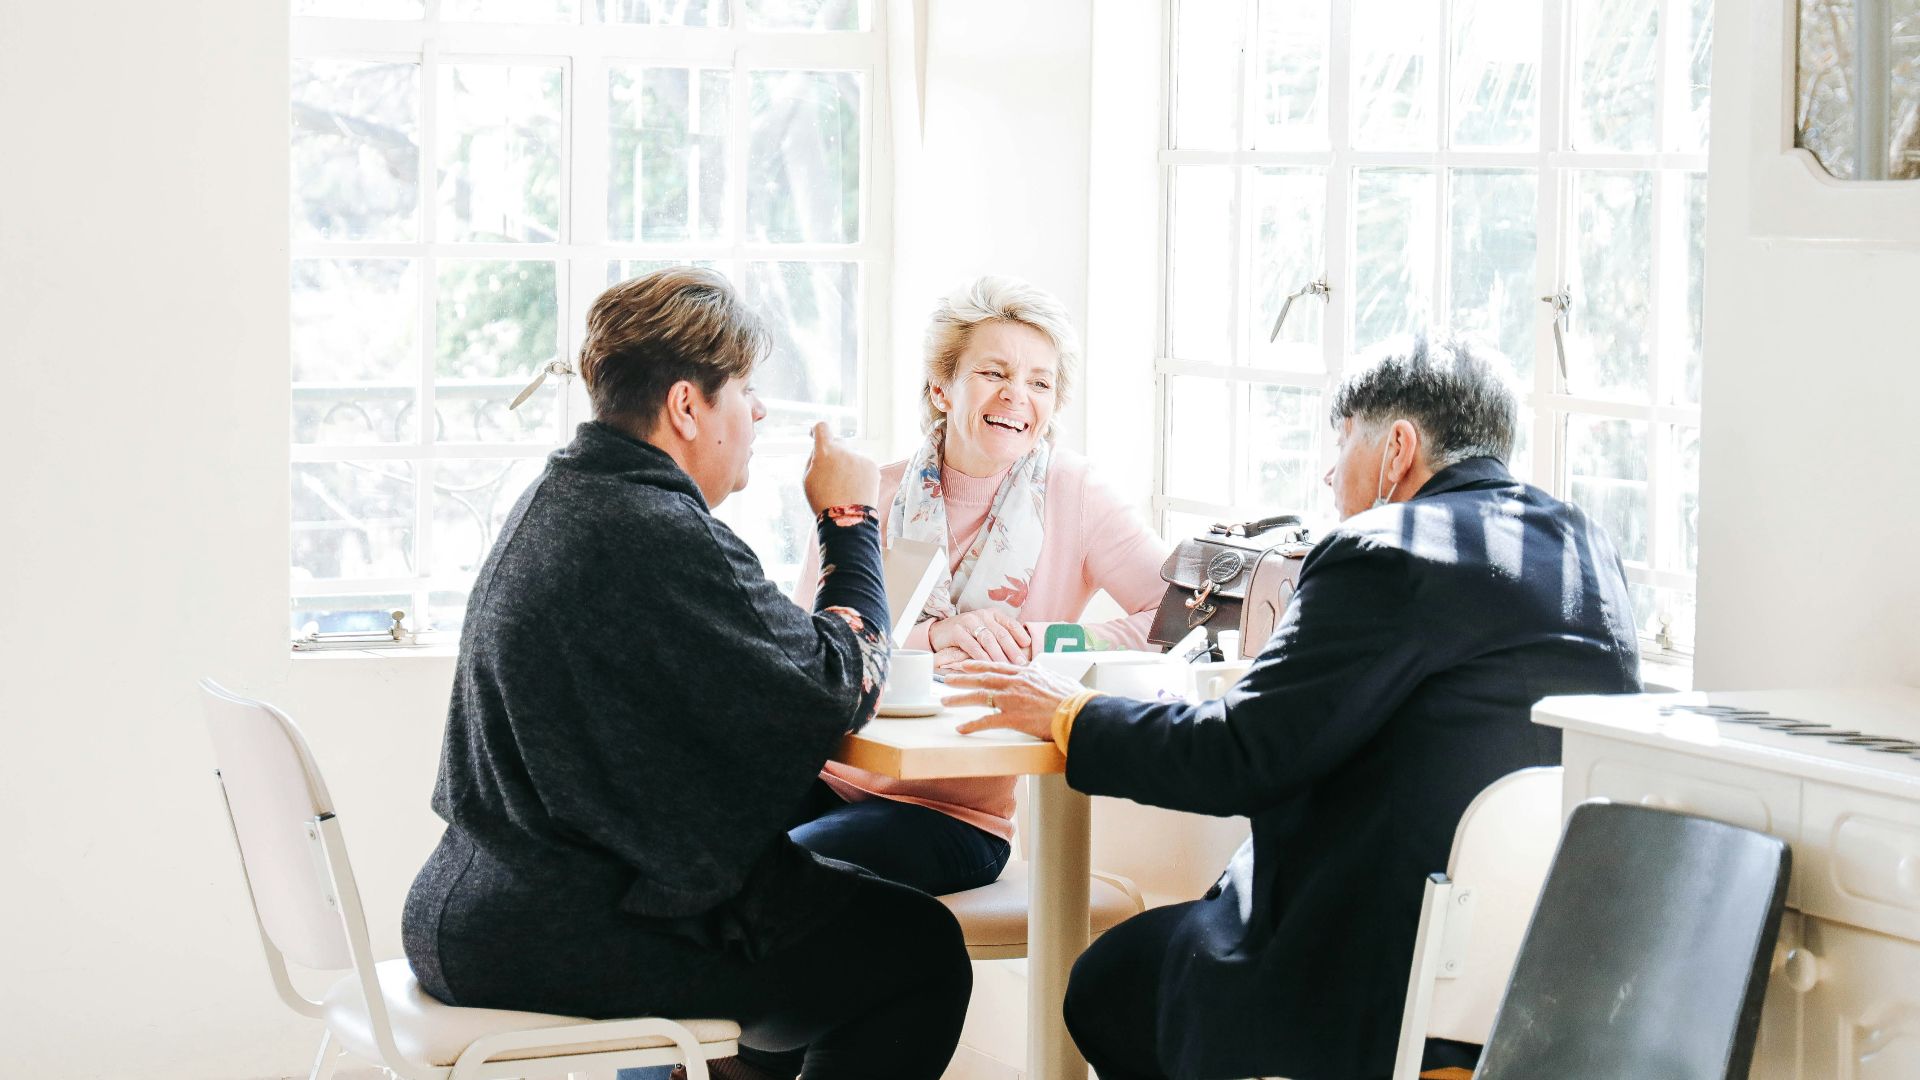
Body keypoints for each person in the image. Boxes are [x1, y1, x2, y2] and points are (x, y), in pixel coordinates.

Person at [949, 333, 1643, 1080]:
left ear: (1396, 449)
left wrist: (1070, 713)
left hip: (1366, 968)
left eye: (1342, 444)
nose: (1326, 473)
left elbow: (1235, 756)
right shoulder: (1584, 549)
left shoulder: (1383, 548)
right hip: (1532, 983)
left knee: (1108, 984)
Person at [402, 268, 972, 1080]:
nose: (760, 411)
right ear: (686, 406)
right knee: (916, 951)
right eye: (744, 388)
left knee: (832, 914)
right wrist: (850, 518)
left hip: (479, 905)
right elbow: (842, 686)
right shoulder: (655, 528)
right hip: (557, 928)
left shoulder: (565, 496)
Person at [787, 275, 1168, 897]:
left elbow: (1175, 619)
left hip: (952, 818)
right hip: (823, 774)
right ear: (942, 388)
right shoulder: (870, 493)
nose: (1017, 396)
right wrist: (939, 634)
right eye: (994, 373)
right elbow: (809, 645)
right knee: (701, 852)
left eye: (1040, 383)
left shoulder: (1076, 494)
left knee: (785, 878)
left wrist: (1029, 642)